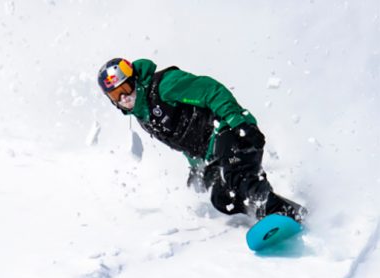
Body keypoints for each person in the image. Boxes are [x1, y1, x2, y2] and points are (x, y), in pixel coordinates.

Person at [97, 58, 307, 222]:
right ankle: (266, 211)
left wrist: (236, 120)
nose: (124, 98)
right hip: (214, 151)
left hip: (231, 129)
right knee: (222, 198)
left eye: (125, 89)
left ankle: (283, 213)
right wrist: (197, 168)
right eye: (116, 95)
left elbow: (210, 90)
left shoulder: (163, 86)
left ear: (135, 80)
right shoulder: (145, 116)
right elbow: (185, 142)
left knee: (235, 176)